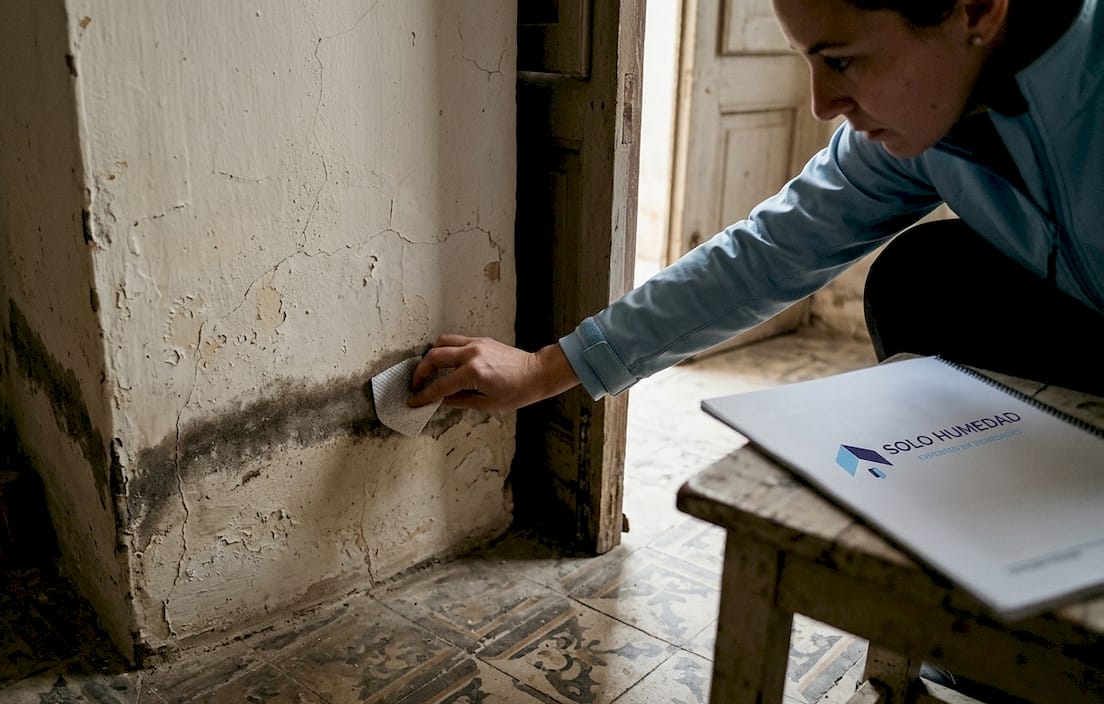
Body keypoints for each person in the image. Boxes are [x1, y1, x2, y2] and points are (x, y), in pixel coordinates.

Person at [407, 0, 1104, 416]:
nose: (822, 104)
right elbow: (769, 252)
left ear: (977, 9)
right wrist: (543, 369)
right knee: (924, 278)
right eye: (809, 60)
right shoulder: (919, 132)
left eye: (844, 60)